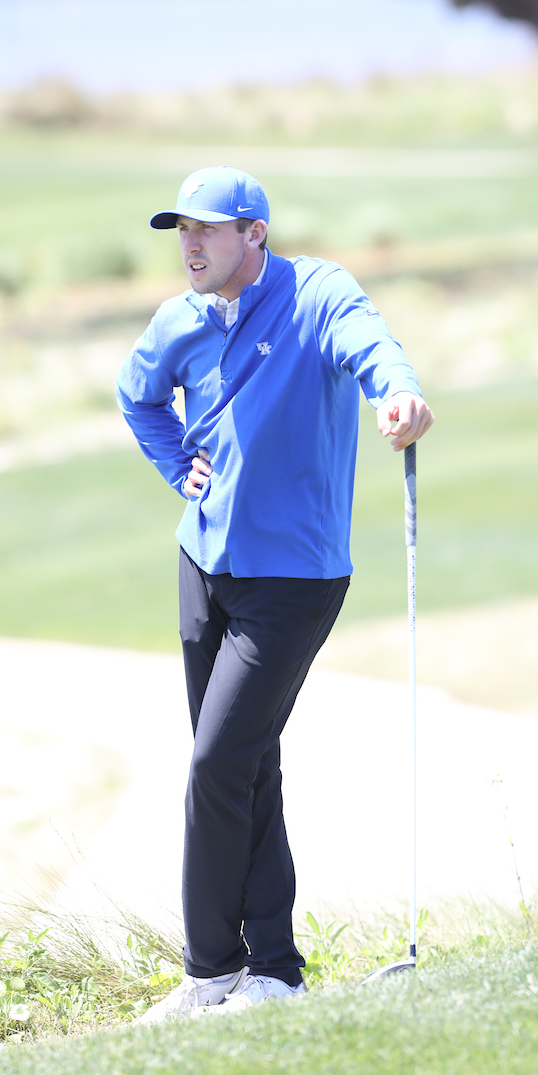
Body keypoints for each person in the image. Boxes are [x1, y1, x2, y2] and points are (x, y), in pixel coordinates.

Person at [116, 166, 433, 1020]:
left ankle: (210, 970)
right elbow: (138, 397)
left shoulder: (318, 293)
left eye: (207, 230)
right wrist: (177, 462)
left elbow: (374, 348)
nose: (189, 245)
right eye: (181, 230)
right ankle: (273, 972)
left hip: (294, 577)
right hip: (202, 563)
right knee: (247, 763)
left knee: (219, 761)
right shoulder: (177, 320)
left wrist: (399, 394)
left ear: (254, 233)